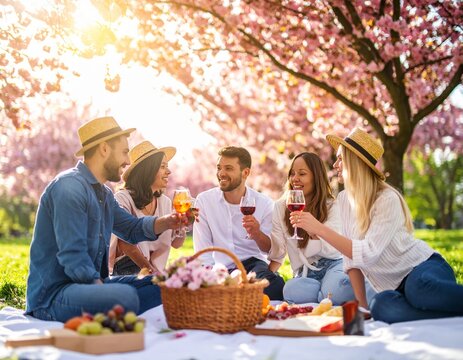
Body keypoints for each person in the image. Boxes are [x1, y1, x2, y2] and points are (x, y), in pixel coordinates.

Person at [290, 127, 463, 323]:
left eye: (340, 159)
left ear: (355, 163)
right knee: (381, 307)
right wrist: (362, 306)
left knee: (418, 291)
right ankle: (450, 312)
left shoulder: (386, 199)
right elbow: (351, 258)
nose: (336, 164)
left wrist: (320, 229)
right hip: (395, 288)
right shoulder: (345, 199)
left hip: (422, 268)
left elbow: (368, 253)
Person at [26, 117, 186, 322]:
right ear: (104, 149)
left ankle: (118, 304)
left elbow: (130, 228)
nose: (128, 161)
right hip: (53, 296)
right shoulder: (68, 188)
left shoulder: (104, 194)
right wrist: (102, 292)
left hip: (91, 286)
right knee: (124, 296)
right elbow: (73, 256)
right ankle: (117, 304)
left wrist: (168, 222)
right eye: (124, 152)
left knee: (162, 282)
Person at [268, 152, 374, 305]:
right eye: (292, 174)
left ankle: (326, 293)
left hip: (333, 264)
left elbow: (331, 250)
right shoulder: (280, 206)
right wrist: (267, 271)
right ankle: (325, 294)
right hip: (304, 271)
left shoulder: (332, 205)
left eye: (302, 174)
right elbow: (278, 247)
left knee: (339, 289)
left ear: (316, 177)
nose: (295, 178)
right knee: (290, 289)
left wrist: (313, 233)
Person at [193, 146, 285, 300]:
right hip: (219, 267)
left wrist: (256, 234)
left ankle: (236, 296)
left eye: (228, 168)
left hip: (253, 266)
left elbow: (270, 249)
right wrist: (211, 278)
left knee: (275, 288)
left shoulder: (264, 204)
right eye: (219, 168)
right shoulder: (204, 201)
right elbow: (203, 249)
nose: (221, 173)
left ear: (245, 173)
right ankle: (238, 296)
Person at [109, 140, 184, 275]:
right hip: (128, 266)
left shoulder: (165, 202)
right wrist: (150, 272)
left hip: (155, 270)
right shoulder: (123, 198)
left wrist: (183, 223)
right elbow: (126, 244)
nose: (169, 171)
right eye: (162, 166)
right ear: (147, 170)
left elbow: (177, 244)